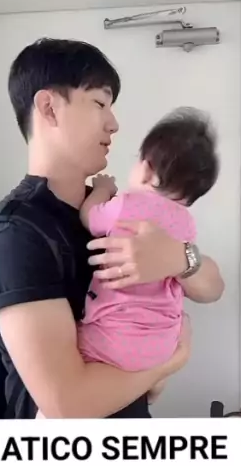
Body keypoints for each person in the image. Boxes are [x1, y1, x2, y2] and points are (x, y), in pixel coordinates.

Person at [0, 38, 225, 466]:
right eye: (99, 101)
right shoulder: (16, 237)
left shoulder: (111, 211)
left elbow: (213, 285)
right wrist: (169, 361)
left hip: (127, 435)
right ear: (48, 106)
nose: (115, 122)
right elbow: (67, 403)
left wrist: (179, 259)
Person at [78, 107, 219, 383]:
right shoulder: (186, 224)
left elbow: (89, 217)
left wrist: (102, 190)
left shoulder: (126, 205)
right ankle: (154, 384)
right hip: (163, 344)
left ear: (146, 170)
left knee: (73, 339)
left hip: (112, 337)